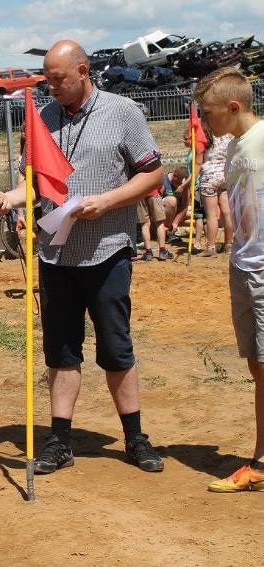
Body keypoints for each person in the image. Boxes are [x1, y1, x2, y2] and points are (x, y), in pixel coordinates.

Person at [0, 40, 165, 474]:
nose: (51, 87)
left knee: (116, 349)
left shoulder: (123, 112)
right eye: (46, 79)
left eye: (59, 78)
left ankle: (135, 439)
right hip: (55, 256)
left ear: (83, 71)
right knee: (61, 351)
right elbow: (36, 182)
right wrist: (10, 198)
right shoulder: (42, 118)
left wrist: (107, 201)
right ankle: (60, 441)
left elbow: (153, 172)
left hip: (107, 252)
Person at [194, 67, 264, 493]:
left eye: (208, 113)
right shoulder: (236, 145)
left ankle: (260, 462)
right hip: (245, 265)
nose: (205, 122)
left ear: (233, 107)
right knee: (258, 366)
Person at [199, 133, 234, 257]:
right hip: (224, 176)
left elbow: (198, 162)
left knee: (211, 215)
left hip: (209, 176)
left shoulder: (205, 137)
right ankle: (229, 244)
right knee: (227, 212)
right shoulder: (230, 136)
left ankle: (211, 246)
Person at [135, 185, 173, 261]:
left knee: (145, 224)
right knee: (160, 223)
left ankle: (148, 253)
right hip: (154, 193)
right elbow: (160, 184)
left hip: (140, 194)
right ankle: (162, 251)